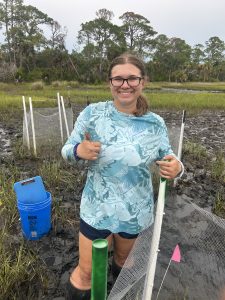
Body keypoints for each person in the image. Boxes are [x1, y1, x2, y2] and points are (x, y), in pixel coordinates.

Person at [61, 53, 183, 300]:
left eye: (131, 79)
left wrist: (177, 168)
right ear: (110, 82)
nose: (125, 84)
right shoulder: (93, 114)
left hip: (135, 212)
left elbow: (170, 157)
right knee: (86, 272)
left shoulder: (155, 124)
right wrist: (78, 150)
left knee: (124, 263)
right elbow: (66, 150)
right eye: (118, 79)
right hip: (97, 209)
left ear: (143, 82)